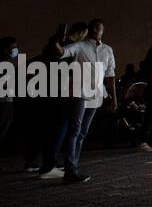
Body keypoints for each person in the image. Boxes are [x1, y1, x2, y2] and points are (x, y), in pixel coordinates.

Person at [37, 23, 89, 181]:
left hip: (48, 89)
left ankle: (48, 163)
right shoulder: (69, 47)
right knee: (60, 128)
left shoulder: (55, 46)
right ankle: (49, 166)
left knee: (54, 128)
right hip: (62, 91)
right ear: (81, 33)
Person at [65, 19, 117, 176]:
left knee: (82, 133)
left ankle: (73, 164)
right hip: (79, 92)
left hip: (96, 95)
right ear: (89, 29)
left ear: (102, 31)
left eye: (99, 28)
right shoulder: (80, 46)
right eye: (93, 27)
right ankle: (70, 169)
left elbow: (111, 75)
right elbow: (63, 52)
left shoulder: (107, 50)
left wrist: (114, 98)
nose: (96, 30)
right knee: (75, 130)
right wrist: (58, 39)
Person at [0, 36, 16, 153]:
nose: (15, 50)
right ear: (5, 49)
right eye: (13, 47)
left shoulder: (6, 63)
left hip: (7, 101)